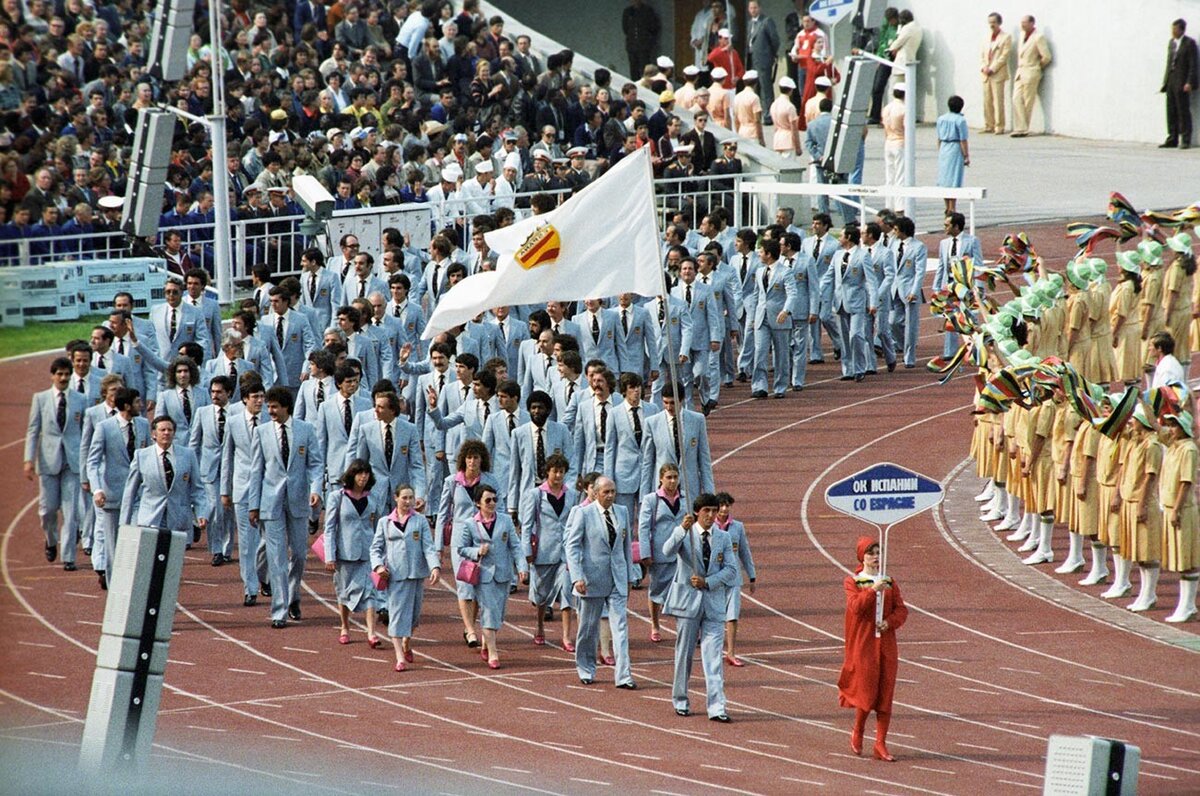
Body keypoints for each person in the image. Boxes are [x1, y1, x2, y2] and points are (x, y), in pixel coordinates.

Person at [248, 387, 325, 629]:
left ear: (286, 407)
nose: (269, 410)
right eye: (268, 406)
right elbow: (256, 471)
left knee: (300, 554)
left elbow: (315, 463)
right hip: (270, 502)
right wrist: (253, 505)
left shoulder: (305, 430)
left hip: (299, 499)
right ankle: (279, 611)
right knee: (277, 556)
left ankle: (293, 596)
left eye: (273, 406)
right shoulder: (261, 432)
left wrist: (316, 489)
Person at [662, 493, 738, 722]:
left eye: (714, 511)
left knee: (713, 657)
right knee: (683, 654)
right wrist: (680, 530)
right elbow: (666, 551)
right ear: (697, 512)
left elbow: (731, 570)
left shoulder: (723, 538)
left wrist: (709, 582)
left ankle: (717, 706)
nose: (711, 516)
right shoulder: (685, 534)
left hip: (713, 603)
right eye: (706, 511)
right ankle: (681, 699)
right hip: (688, 604)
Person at [837, 536, 908, 762]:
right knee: (867, 692)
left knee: (885, 694)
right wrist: (872, 590)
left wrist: (890, 622)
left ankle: (881, 743)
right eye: (871, 553)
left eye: (878, 553)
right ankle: (858, 730)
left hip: (886, 643)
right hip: (864, 643)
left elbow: (902, 610)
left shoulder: (889, 581)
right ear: (862, 557)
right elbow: (856, 607)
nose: (876, 557)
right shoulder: (853, 581)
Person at [564, 476, 637, 688]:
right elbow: (572, 545)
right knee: (587, 629)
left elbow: (626, 547)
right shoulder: (583, 513)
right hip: (591, 579)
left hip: (617, 578)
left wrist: (630, 575)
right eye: (606, 492)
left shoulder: (622, 512)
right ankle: (586, 668)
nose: (611, 496)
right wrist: (577, 576)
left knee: (620, 628)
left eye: (613, 491)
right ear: (595, 493)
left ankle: (623, 676)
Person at [437, 439, 503, 649]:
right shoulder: (452, 482)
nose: (472, 461)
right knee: (465, 584)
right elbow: (442, 514)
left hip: (483, 537)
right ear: (462, 460)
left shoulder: (490, 480)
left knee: (479, 585)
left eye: (476, 457)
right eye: (468, 457)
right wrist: (438, 547)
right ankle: (470, 629)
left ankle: (471, 624)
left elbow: (499, 509)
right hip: (460, 538)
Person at [455, 482, 526, 669]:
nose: (492, 503)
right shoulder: (470, 524)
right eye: (488, 500)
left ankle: (487, 644)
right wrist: (477, 551)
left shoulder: (505, 521)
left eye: (495, 499)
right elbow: (461, 549)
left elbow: (516, 546)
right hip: (484, 575)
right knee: (488, 611)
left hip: (503, 573)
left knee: (498, 613)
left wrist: (522, 567)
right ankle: (494, 653)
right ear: (478, 503)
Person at [25, 357, 87, 569]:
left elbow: (86, 432)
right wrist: (28, 460)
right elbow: (33, 430)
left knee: (70, 512)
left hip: (72, 461)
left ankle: (68, 557)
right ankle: (51, 540)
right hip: (48, 461)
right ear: (52, 375)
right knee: (48, 510)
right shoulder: (40, 399)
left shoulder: (80, 400)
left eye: (66, 374)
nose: (63, 378)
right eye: (59, 374)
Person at [371, 483, 441, 672]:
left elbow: (428, 546)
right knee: (396, 614)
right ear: (396, 498)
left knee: (414, 616)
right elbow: (375, 548)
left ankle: (406, 642)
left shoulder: (420, 521)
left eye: (411, 498)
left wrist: (434, 566)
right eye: (404, 498)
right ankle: (399, 657)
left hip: (416, 574)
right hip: (395, 575)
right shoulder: (384, 522)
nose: (408, 501)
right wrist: (378, 566)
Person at [119, 415, 208, 547]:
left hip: (178, 517)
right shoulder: (141, 456)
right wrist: (124, 524)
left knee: (173, 561)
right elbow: (130, 492)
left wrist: (201, 512)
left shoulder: (188, 455)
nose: (166, 433)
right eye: (162, 430)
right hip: (150, 517)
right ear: (154, 434)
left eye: (170, 430)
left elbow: (197, 488)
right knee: (149, 560)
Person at [519, 453, 578, 649]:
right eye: (555, 471)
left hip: (566, 551)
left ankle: (567, 636)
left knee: (568, 591)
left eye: (561, 471)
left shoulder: (571, 494)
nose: (558, 475)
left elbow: (575, 521)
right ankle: (539, 625)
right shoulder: (536, 494)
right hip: (543, 551)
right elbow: (527, 525)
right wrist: (526, 551)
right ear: (547, 472)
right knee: (541, 595)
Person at [324, 459, 384, 647]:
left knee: (370, 593)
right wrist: (330, 555)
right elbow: (330, 527)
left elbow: (378, 525)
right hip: (345, 552)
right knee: (344, 592)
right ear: (352, 475)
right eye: (359, 473)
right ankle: (345, 626)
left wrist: (380, 552)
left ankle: (371, 633)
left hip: (367, 552)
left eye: (366, 473)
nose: (363, 477)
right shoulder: (337, 497)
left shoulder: (373, 498)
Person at [638, 463, 686, 643]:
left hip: (681, 552)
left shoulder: (684, 498)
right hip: (660, 551)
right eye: (669, 477)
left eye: (675, 477)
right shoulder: (652, 500)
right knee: (657, 589)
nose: (673, 481)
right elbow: (644, 527)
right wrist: (645, 553)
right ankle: (655, 624)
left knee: (683, 589)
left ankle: (683, 626)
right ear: (661, 479)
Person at [1160, 412, 1200, 622]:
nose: (1170, 429)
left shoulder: (1189, 449)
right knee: (1178, 557)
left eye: (1174, 426)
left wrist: (1176, 508)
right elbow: (1158, 431)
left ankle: (1188, 606)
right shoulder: (1174, 445)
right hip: (1170, 506)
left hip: (1183, 509)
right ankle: (1185, 605)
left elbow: (1186, 482)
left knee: (1187, 558)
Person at [715, 493, 755, 666]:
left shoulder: (737, 527)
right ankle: (713, 651)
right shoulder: (709, 527)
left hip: (733, 579)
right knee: (713, 617)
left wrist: (752, 575)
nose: (724, 509)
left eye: (727, 505)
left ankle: (731, 652)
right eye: (721, 505)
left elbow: (745, 552)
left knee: (732, 617)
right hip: (714, 579)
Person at [1011, 16, 1052, 138]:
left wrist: (1037, 67)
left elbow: (1046, 56)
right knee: (1016, 98)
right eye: (1021, 22)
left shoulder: (1038, 37)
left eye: (1025, 23)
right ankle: (1020, 126)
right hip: (1020, 72)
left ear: (1032, 23)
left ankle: (1023, 128)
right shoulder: (1022, 36)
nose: (1022, 25)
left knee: (1028, 100)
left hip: (1031, 71)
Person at [1162, 19, 1199, 149]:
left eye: (1175, 29)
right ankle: (1172, 137)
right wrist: (1166, 81)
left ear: (1181, 30)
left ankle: (1186, 139)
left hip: (1182, 81)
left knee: (1183, 110)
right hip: (1171, 80)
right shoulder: (1172, 43)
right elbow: (1169, 63)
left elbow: (1193, 65)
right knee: (1171, 110)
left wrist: (1189, 82)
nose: (1172, 32)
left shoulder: (1189, 43)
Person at [935, 96, 970, 215]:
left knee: (944, 178)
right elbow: (963, 139)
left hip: (944, 147)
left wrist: (940, 151)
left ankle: (946, 206)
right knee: (954, 178)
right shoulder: (960, 120)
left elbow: (939, 138)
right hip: (955, 148)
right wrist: (966, 155)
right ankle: (952, 207)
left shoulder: (941, 119)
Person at [745, 1, 780, 117]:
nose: (753, 10)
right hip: (752, 58)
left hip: (763, 59)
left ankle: (768, 114)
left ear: (759, 8)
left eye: (755, 8)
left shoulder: (766, 21)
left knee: (766, 88)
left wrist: (771, 54)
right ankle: (758, 113)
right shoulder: (750, 23)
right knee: (755, 87)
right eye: (751, 8)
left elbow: (775, 40)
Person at [980, 13, 1013, 134]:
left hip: (997, 74)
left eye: (993, 22)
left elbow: (1004, 56)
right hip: (985, 74)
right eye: (990, 22)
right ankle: (989, 124)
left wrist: (992, 68)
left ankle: (999, 126)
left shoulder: (1006, 37)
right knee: (987, 100)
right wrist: (984, 67)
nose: (991, 25)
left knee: (998, 101)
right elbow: (982, 55)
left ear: (999, 23)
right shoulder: (986, 37)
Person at [880, 84, 906, 208]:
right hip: (900, 141)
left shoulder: (886, 108)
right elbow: (906, 128)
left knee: (889, 175)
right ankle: (899, 205)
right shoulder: (904, 109)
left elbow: (884, 127)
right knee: (900, 175)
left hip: (888, 141)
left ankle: (888, 204)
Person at [622, 0, 660, 79]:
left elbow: (654, 27)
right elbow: (625, 28)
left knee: (644, 67)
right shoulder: (627, 12)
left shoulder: (648, 11)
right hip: (632, 45)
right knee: (633, 68)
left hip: (644, 45)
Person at [770, 77, 801, 157]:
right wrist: (798, 147)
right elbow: (794, 129)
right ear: (790, 90)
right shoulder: (790, 107)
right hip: (788, 141)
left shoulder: (774, 104)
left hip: (777, 139)